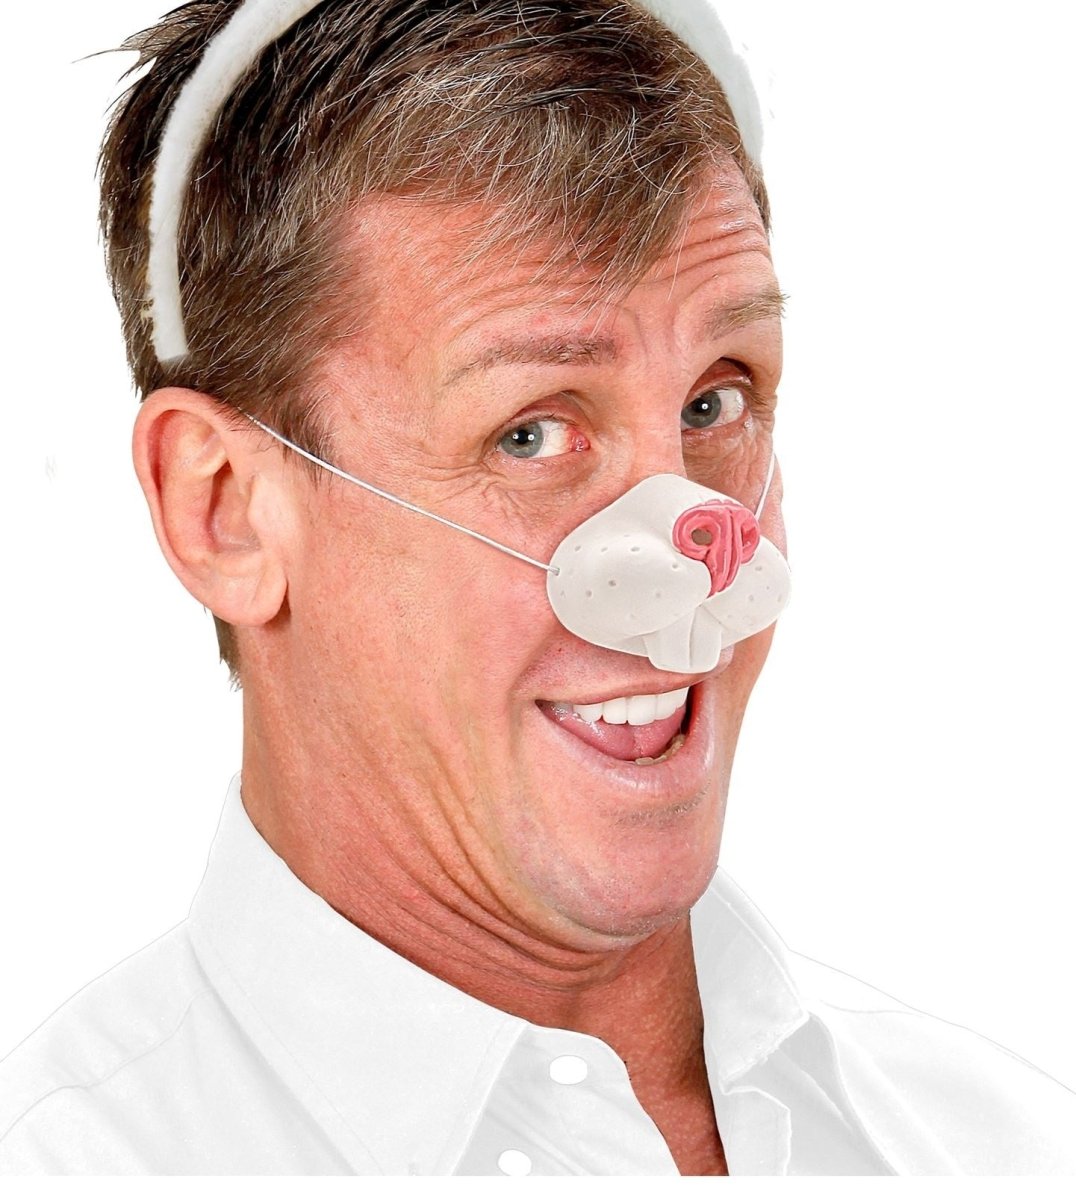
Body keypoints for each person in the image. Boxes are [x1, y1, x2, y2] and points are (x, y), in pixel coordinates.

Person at [1, 0, 1073, 1176]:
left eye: (713, 401)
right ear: (225, 511)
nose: (694, 564)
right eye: (530, 434)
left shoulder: (1003, 1155)